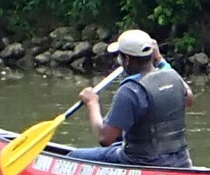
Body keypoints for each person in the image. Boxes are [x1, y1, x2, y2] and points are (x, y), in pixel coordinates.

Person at [73, 29, 193, 167]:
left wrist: (92, 103)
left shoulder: (130, 90)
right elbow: (188, 98)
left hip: (142, 162)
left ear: (127, 60)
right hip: (180, 161)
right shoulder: (173, 76)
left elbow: (104, 138)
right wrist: (159, 59)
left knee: (73, 156)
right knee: (120, 138)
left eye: (120, 57)